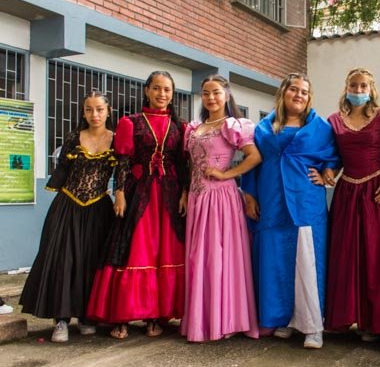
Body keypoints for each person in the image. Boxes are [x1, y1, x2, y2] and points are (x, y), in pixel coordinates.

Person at [87, 71, 187, 340]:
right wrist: (119, 192)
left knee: (165, 251)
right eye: (156, 88)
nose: (161, 94)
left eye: (166, 89)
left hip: (169, 195)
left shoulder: (180, 126)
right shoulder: (130, 122)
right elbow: (123, 161)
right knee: (135, 250)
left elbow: (182, 163)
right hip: (138, 193)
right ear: (147, 91)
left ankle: (156, 315)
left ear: (172, 94)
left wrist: (185, 192)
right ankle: (123, 316)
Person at [243, 73, 340, 349]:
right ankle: (283, 318)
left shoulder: (320, 128)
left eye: (304, 92)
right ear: (283, 92)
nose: (299, 95)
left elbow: (334, 157)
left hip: (305, 202)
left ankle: (313, 326)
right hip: (272, 200)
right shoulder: (264, 127)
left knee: (308, 262)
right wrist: (249, 195)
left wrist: (327, 173)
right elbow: (253, 162)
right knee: (276, 260)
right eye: (294, 89)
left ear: (309, 98)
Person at [20, 91, 116, 342]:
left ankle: (86, 317)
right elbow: (63, 170)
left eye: (99, 109)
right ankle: (61, 320)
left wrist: (122, 195)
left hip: (99, 208)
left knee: (91, 262)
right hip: (68, 206)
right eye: (88, 109)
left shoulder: (116, 140)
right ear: (83, 112)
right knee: (63, 261)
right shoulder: (74, 137)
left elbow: (124, 172)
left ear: (108, 111)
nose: (94, 114)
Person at [180, 75, 261, 342]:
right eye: (206, 93)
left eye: (216, 92)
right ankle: (202, 320)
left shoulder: (233, 125)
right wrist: (185, 192)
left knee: (218, 257)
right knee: (198, 257)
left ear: (227, 95)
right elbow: (190, 165)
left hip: (220, 199)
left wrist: (227, 174)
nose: (211, 98)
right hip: (197, 198)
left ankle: (224, 320)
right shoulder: (194, 127)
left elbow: (254, 156)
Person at [323, 68, 380, 341]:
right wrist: (329, 171)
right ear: (347, 87)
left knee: (373, 256)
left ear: (371, 88)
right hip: (346, 192)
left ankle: (371, 323)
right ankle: (342, 319)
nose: (358, 89)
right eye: (353, 85)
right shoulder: (334, 120)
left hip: (376, 191)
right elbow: (335, 158)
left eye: (363, 85)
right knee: (344, 255)